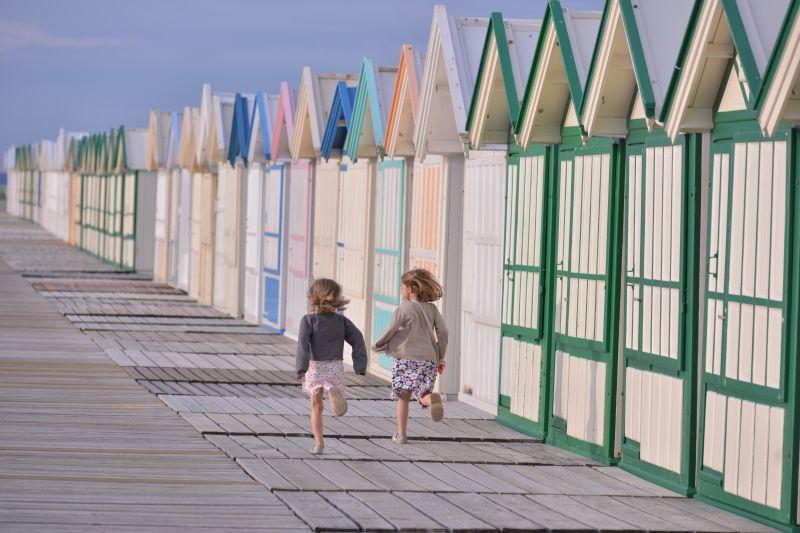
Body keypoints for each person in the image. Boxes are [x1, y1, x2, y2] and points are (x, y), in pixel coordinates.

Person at [373, 268, 448, 445]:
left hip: (405, 358)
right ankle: (431, 399)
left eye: (402, 287)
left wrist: (378, 345)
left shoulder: (403, 308)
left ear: (411, 290)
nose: (400, 290)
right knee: (422, 393)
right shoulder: (432, 309)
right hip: (428, 357)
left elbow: (391, 328)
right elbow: (444, 332)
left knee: (403, 396)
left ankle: (401, 435)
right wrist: (439, 354)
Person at [295, 278, 367, 455]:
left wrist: (301, 367)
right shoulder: (341, 322)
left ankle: (318, 443)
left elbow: (303, 345)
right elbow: (357, 339)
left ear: (313, 297)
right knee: (336, 406)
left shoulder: (308, 320)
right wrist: (360, 364)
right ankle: (332, 391)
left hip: (315, 367)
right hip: (335, 366)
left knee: (316, 406)